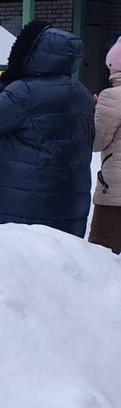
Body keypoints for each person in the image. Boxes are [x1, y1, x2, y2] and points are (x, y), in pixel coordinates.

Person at [0, 19, 94, 237]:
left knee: (14, 260)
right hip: (66, 201)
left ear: (31, 54)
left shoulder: (24, 91)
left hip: (20, 204)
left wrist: (2, 81)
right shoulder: (80, 92)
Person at [90, 36, 121, 252]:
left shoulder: (112, 96)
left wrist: (95, 112)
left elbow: (97, 141)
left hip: (116, 191)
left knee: (102, 253)